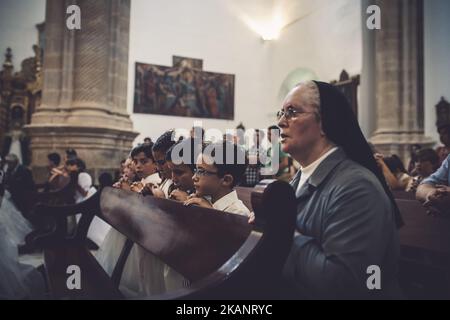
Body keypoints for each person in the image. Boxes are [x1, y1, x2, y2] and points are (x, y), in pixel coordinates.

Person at [278, 81, 402, 299]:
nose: (280, 122)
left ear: (324, 122)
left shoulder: (357, 188)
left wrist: (281, 231)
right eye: (281, 113)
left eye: (292, 112)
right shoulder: (297, 181)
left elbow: (342, 284)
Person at [184, 140, 250, 217]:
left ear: (226, 180)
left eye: (201, 171)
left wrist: (211, 212)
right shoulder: (202, 201)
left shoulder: (239, 213)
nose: (194, 177)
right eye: (196, 170)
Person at [151, 130, 176, 198]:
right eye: (156, 163)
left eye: (162, 162)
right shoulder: (166, 181)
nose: (158, 168)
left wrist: (161, 199)